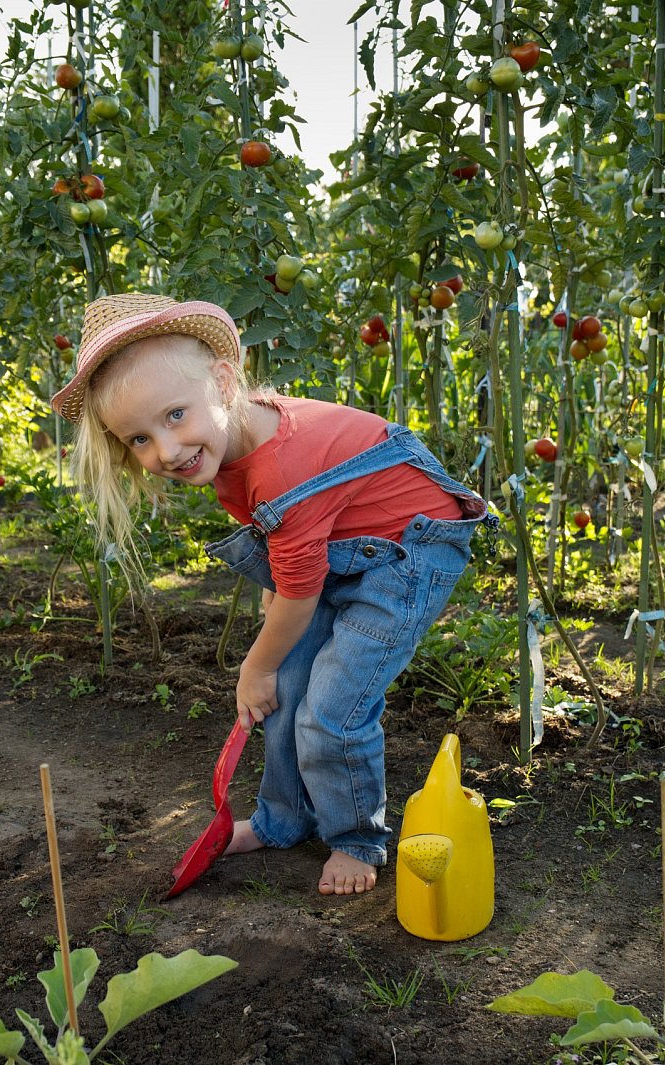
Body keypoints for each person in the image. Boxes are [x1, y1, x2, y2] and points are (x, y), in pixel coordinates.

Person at [52, 293, 497, 897]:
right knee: (288, 692)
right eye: (138, 439)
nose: (165, 451)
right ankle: (282, 820)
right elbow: (293, 550)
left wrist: (254, 665)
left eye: (175, 416)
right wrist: (278, 617)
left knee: (332, 710)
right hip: (352, 547)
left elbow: (300, 584)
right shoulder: (233, 441)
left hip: (408, 556)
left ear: (224, 380)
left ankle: (354, 839)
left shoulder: (283, 465)